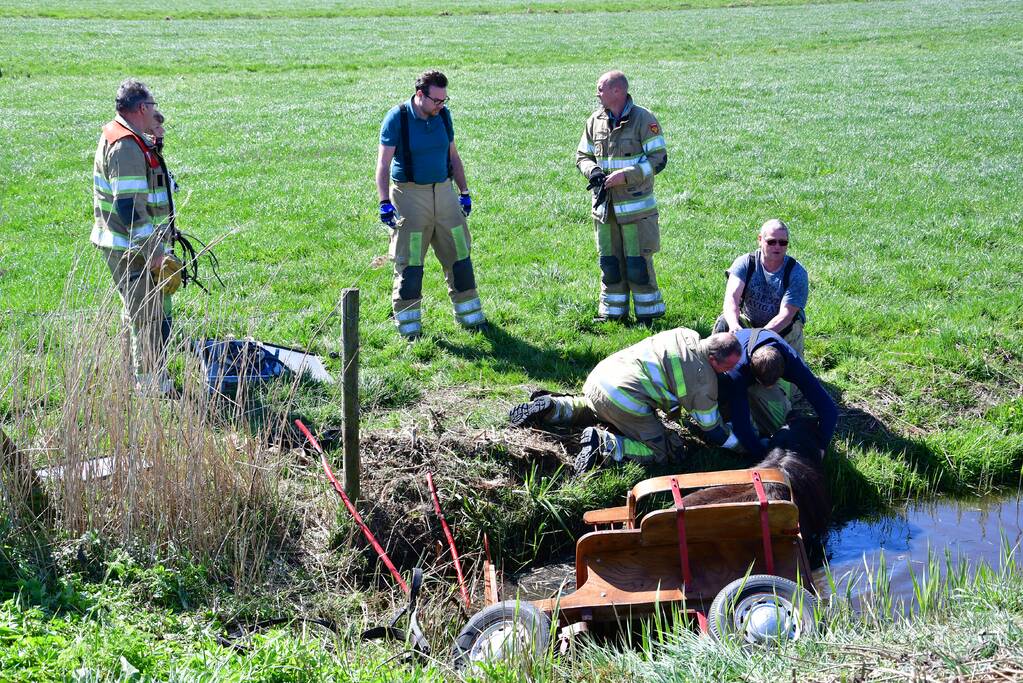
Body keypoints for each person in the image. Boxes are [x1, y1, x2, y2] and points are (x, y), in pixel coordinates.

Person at [509, 330, 743, 474]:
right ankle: (605, 445)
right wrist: (742, 447)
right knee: (662, 450)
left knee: (595, 407)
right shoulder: (703, 382)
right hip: (626, 398)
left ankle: (554, 407)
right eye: (729, 367)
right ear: (713, 359)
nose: (731, 372)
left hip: (601, 378)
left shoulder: (685, 334)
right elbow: (711, 428)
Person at [376, 70, 484, 340]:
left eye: (444, 101)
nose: (441, 105)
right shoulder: (397, 118)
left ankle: (471, 319)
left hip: (445, 195)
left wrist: (464, 191)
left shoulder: (443, 116)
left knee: (460, 255)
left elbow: (454, 156)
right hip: (410, 197)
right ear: (420, 95)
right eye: (437, 101)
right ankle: (409, 329)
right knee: (410, 263)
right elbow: (383, 164)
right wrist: (384, 202)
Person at [92, 78, 175, 394]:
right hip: (132, 248)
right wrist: (154, 251)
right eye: (153, 106)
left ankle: (134, 376)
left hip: (134, 245)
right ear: (142, 108)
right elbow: (128, 209)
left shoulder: (130, 139)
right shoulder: (126, 147)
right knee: (150, 315)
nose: (157, 112)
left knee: (140, 311)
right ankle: (151, 384)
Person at [575, 71, 668, 326]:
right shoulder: (594, 121)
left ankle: (647, 316)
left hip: (637, 210)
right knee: (609, 262)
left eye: (600, 88)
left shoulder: (644, 119)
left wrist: (627, 176)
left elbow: (659, 159)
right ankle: (612, 314)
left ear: (617, 91)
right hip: (605, 209)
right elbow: (582, 156)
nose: (597, 93)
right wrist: (592, 171)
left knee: (638, 264)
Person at [719, 328, 838, 460]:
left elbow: (829, 410)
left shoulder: (794, 363)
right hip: (740, 355)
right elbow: (741, 424)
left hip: (766, 356)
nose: (768, 387)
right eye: (765, 385)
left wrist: (821, 446)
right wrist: (763, 456)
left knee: (778, 418)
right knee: (729, 397)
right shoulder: (737, 371)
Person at [714, 219, 808, 356]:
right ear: (760, 239)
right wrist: (734, 325)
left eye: (783, 243)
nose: (777, 246)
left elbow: (786, 316)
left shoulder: (796, 273)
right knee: (724, 322)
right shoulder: (746, 263)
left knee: (776, 371)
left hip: (783, 331)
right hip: (748, 323)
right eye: (771, 241)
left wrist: (757, 338)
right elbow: (732, 299)